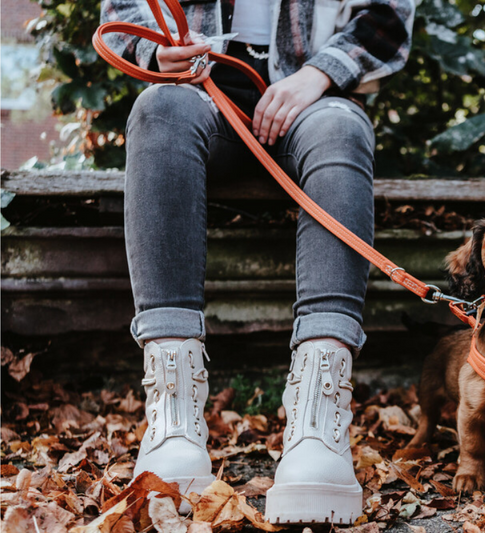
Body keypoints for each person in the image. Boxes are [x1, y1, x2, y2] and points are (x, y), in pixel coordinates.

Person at [99, 0, 414, 524]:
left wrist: (318, 74)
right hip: (195, 96)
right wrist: (156, 51)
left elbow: (386, 16)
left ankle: (319, 419)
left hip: (315, 100)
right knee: (157, 111)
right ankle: (173, 419)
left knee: (342, 130)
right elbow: (124, 9)